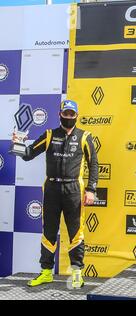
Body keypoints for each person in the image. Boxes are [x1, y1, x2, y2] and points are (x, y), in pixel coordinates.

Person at [12, 100, 98, 289]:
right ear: (60, 114)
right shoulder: (50, 134)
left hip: (74, 189)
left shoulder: (85, 136)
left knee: (76, 232)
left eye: (71, 114)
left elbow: (93, 165)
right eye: (65, 114)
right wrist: (18, 144)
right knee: (49, 231)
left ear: (76, 115)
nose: (68, 117)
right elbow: (28, 153)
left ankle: (76, 273)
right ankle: (46, 273)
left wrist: (91, 190)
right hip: (51, 189)